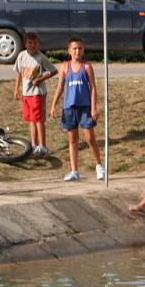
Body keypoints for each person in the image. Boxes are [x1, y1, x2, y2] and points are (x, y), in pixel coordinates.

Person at [49, 36, 105, 181]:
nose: (77, 51)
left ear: (83, 50)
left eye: (80, 48)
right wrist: (54, 104)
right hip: (69, 107)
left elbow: (93, 88)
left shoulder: (87, 67)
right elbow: (60, 86)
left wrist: (93, 107)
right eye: (74, 48)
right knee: (73, 139)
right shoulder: (64, 67)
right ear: (69, 50)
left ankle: (99, 166)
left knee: (90, 138)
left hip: (85, 107)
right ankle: (74, 170)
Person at [13, 32, 58, 159]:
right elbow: (20, 73)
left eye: (35, 43)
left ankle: (42, 146)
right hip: (26, 94)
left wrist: (39, 79)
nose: (32, 45)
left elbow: (53, 71)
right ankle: (33, 144)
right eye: (29, 43)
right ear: (25, 43)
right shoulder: (21, 56)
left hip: (37, 94)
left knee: (39, 120)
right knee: (31, 120)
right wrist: (17, 88)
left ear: (38, 43)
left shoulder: (41, 58)